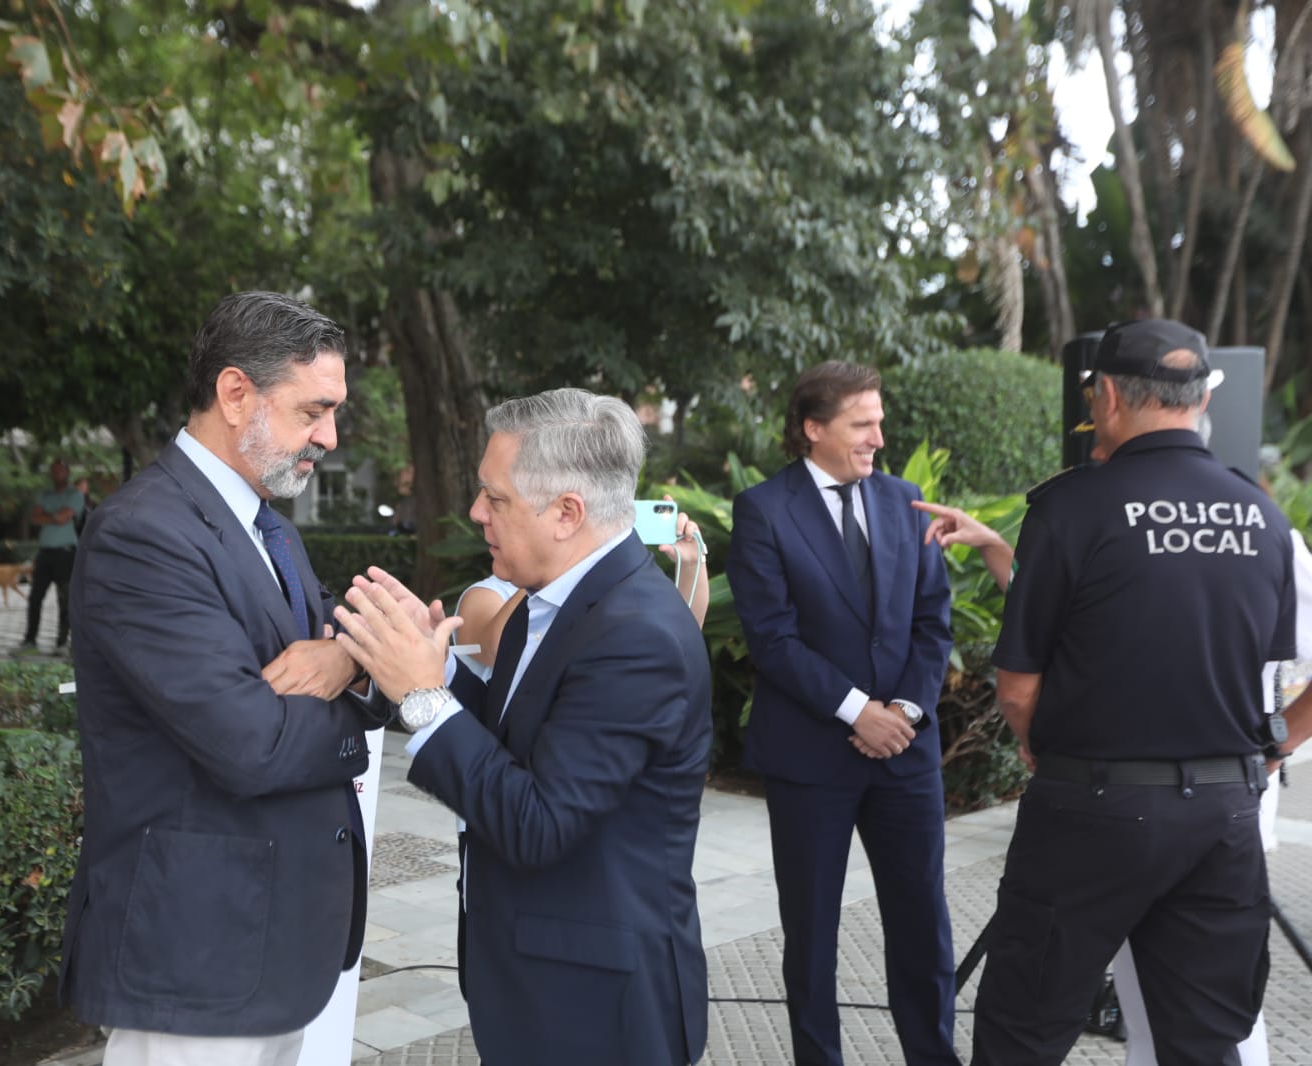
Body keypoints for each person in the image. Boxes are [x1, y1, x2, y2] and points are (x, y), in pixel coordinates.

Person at [333, 388, 713, 1066]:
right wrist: (423, 668)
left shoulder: (637, 635)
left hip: (597, 1010)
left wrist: (422, 696)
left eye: (495, 498)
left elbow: (538, 822)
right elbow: (513, 741)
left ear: (566, 512)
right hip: (535, 980)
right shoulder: (552, 601)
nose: (475, 513)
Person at [59, 291, 385, 1066]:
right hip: (197, 952)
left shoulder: (267, 523)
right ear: (236, 394)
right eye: (314, 411)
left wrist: (345, 659)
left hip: (268, 945)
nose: (329, 437)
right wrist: (360, 693)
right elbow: (251, 745)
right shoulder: (143, 533)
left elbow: (346, 649)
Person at [971, 318, 1296, 1065]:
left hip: (1091, 806)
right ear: (1198, 400)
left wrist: (1035, 745)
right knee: (1204, 1040)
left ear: (1108, 395)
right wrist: (1264, 754)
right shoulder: (1261, 515)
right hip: (1221, 816)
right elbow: (1270, 671)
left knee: (1023, 1028)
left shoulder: (1071, 508)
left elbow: (1018, 686)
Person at [724, 360, 959, 1066]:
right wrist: (859, 711)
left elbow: (931, 621)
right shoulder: (763, 509)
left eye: (879, 422)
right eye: (863, 424)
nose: (878, 438)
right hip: (810, 756)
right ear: (812, 428)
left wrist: (904, 711)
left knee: (923, 924)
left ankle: (931, 1056)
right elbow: (771, 638)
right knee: (812, 931)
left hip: (906, 752)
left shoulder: (903, 499)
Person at [453, 494, 710, 679]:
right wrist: (559, 558)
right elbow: (500, 647)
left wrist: (691, 565)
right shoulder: (482, 596)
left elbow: (679, 635)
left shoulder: (609, 594)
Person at [19, 459, 83, 655]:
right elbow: (35, 518)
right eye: (54, 470)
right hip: (45, 553)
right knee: (35, 597)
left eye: (61, 470)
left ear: (68, 473)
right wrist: (54, 516)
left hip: (66, 553)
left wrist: (49, 515)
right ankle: (30, 639)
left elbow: (63, 517)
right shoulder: (44, 494)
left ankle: (62, 642)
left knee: (65, 599)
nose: (58, 474)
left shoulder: (74, 495)